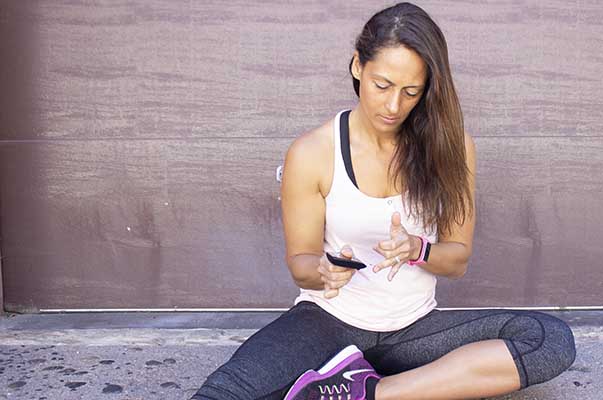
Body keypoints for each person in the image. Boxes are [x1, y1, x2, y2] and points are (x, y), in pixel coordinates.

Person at [193, 3, 575, 399]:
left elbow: (457, 260)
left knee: (548, 340)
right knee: (221, 394)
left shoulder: (452, 148)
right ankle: (363, 386)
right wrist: (324, 270)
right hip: (327, 323)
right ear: (358, 66)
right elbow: (300, 264)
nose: (394, 106)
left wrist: (417, 249)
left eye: (411, 92)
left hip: (415, 331)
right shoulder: (312, 153)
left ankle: (368, 392)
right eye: (383, 85)